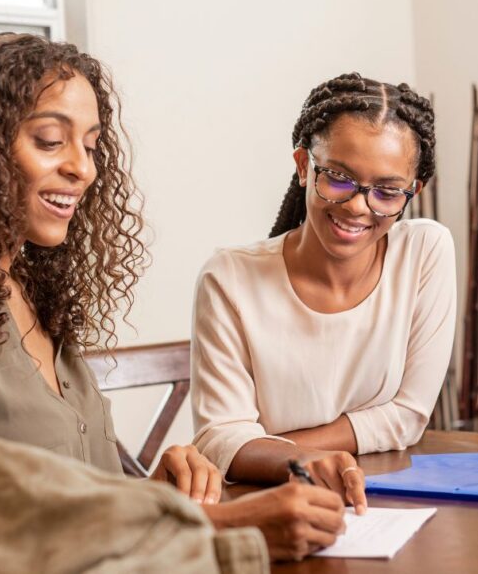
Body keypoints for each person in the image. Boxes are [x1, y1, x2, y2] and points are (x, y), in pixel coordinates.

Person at [0, 33, 344, 561]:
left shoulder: (33, 294)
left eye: (92, 145)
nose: (84, 168)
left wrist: (152, 494)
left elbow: (76, 497)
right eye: (51, 141)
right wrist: (220, 526)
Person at [191, 72, 457, 514]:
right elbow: (220, 438)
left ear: (413, 193)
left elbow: (409, 416)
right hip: (269, 505)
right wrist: (299, 459)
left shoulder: (425, 251)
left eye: (387, 192)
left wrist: (266, 448)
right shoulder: (230, 278)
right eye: (338, 178)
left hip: (381, 505)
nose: (357, 206)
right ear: (303, 166)